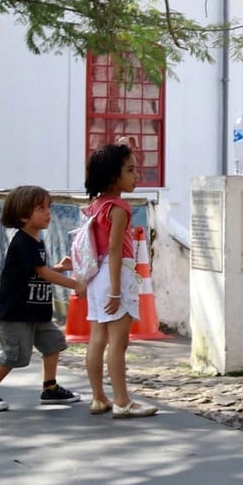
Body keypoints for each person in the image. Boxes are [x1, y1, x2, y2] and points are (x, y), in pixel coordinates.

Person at [0, 186, 86, 411]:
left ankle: (50, 387)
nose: (48, 213)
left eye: (49, 207)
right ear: (23, 215)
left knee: (53, 343)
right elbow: (42, 273)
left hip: (37, 312)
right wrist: (74, 284)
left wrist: (60, 268)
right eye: (41, 208)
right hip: (16, 313)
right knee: (15, 356)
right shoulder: (23, 241)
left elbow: (36, 271)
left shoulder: (36, 241)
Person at [83, 142, 158, 418]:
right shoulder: (119, 208)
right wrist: (116, 290)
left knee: (97, 339)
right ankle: (122, 400)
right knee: (118, 343)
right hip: (115, 274)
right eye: (130, 170)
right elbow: (115, 250)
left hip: (95, 277)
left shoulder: (95, 206)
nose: (136, 175)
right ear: (114, 176)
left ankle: (98, 398)